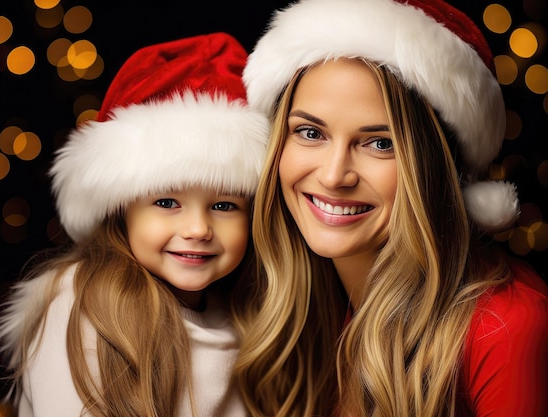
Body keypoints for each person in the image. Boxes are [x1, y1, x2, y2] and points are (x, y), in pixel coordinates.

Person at [233, 0, 548, 416]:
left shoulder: (508, 328)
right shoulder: (296, 310)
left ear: (434, 165)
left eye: (380, 143)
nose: (333, 175)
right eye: (310, 132)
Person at [0, 32, 269, 417]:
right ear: (121, 209)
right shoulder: (84, 305)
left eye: (224, 205)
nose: (198, 228)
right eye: (167, 202)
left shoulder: (246, 318)